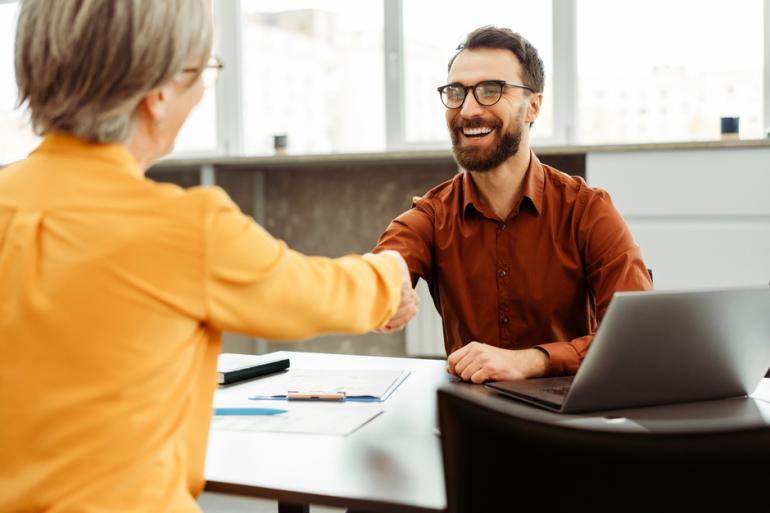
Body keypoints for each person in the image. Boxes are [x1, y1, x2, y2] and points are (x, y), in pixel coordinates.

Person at [0, 1, 418, 512]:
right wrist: (390, 273)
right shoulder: (181, 229)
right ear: (158, 92)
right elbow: (311, 292)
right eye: (203, 73)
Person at [374, 26, 652, 384]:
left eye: (491, 91)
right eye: (456, 92)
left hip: (573, 417)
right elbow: (386, 264)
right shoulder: (431, 215)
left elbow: (636, 337)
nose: (468, 109)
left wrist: (532, 361)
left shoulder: (588, 211)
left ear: (533, 106)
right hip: (474, 417)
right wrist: (382, 289)